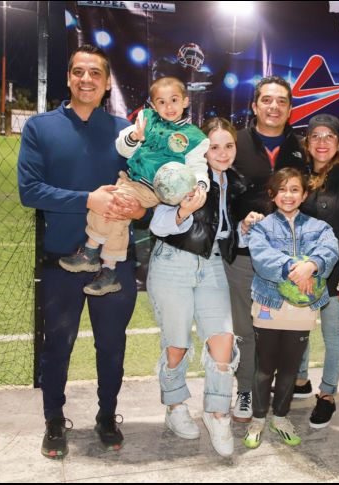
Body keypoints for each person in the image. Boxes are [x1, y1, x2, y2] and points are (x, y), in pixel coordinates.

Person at [17, 45, 145, 459]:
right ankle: (54, 419)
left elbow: (146, 189)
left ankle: (107, 416)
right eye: (78, 72)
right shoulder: (41, 127)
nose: (86, 79)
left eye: (95, 73)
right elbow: (29, 191)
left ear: (107, 83)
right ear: (68, 78)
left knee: (111, 345)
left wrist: (140, 206)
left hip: (114, 262)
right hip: (62, 260)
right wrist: (88, 199)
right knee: (58, 344)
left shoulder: (126, 132)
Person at [145, 117, 253, 458]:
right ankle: (175, 405)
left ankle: (217, 412)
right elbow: (159, 226)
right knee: (176, 344)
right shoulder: (183, 173)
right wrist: (184, 211)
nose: (221, 153)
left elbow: (225, 233)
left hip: (211, 265)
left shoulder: (237, 182)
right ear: (201, 148)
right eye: (213, 146)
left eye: (229, 145)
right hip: (174, 263)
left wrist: (248, 227)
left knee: (222, 340)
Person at [58, 76, 209, 296]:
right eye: (162, 102)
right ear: (153, 104)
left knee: (110, 203)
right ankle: (109, 270)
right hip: (130, 179)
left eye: (174, 100)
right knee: (118, 216)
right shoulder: (145, 120)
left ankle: (90, 251)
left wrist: (200, 186)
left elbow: (198, 167)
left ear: (185, 102)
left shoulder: (194, 137)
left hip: (153, 189)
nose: (169, 107)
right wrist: (135, 136)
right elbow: (123, 149)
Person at [225, 76, 305, 423]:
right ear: (255, 106)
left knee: (281, 329)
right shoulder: (235, 143)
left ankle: (276, 389)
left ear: (290, 108)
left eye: (282, 101)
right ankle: (245, 389)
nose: (275, 107)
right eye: (267, 100)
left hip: (288, 259)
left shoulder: (300, 146)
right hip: (243, 256)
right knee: (246, 328)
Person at [240, 168, 339, 449]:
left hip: (303, 309)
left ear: (304, 194)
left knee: (290, 368)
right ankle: (258, 418)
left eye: (295, 189)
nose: (288, 195)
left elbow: (330, 250)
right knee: (264, 367)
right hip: (269, 305)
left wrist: (313, 264)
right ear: (272, 194)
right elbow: (261, 258)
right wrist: (296, 269)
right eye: (282, 189)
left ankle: (280, 417)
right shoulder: (262, 226)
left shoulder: (319, 227)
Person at [292, 114, 339, 428]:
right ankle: (299, 381)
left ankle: (327, 395)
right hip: (303, 271)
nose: (322, 142)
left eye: (329, 136)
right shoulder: (298, 176)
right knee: (297, 330)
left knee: (333, 334)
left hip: (338, 275)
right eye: (315, 136)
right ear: (307, 144)